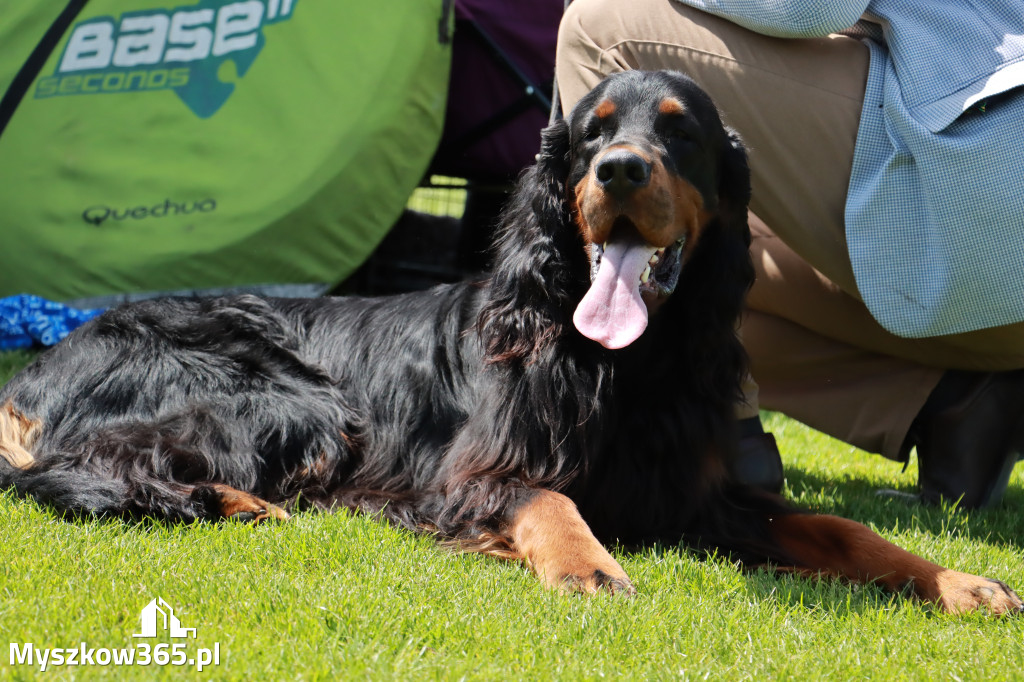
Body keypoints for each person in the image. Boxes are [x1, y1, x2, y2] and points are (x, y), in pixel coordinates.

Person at [554, 0, 1024, 507]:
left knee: (598, 28)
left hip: (997, 160)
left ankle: (729, 446)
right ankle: (955, 400)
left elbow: (810, 7)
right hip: (996, 287)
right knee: (703, 273)